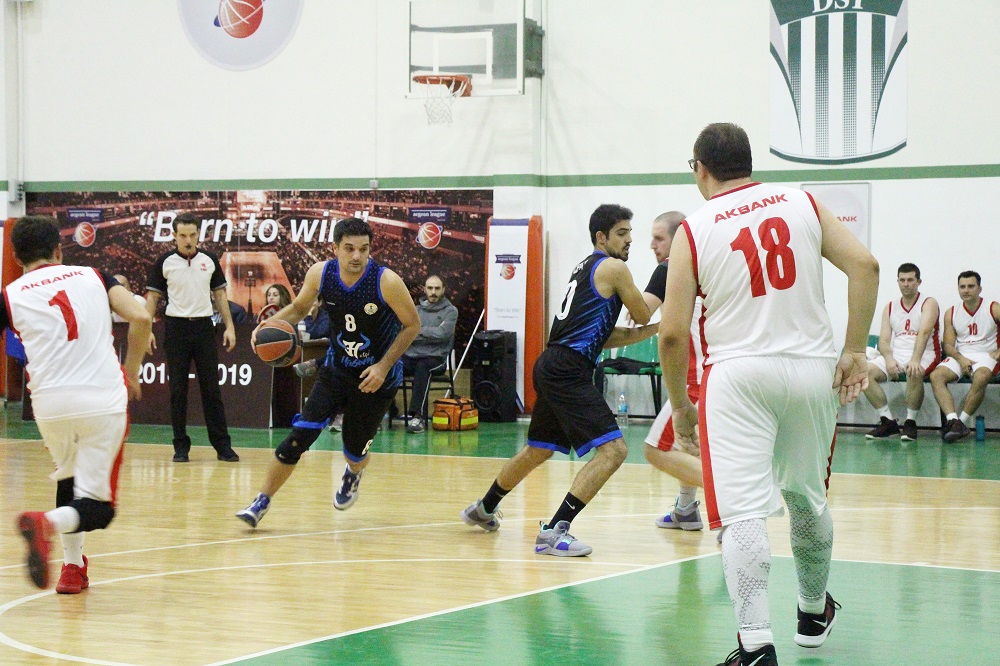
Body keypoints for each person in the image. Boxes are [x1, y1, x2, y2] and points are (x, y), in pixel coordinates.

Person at [658, 123, 878, 665]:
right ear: (749, 162)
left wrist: (681, 406)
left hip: (736, 376)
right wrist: (854, 348)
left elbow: (672, 333)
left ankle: (756, 644)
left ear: (700, 169)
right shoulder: (802, 202)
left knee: (742, 514)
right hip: (810, 370)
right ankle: (812, 613)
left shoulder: (695, 228)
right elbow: (866, 267)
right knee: (806, 496)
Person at [461, 204, 659, 557]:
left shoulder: (584, 268)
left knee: (538, 449)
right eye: (622, 233)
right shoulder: (614, 268)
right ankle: (554, 531)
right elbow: (642, 312)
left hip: (553, 363)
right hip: (567, 369)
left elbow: (603, 336)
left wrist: (656, 330)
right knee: (614, 451)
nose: (630, 239)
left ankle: (484, 507)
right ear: (602, 237)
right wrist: (669, 279)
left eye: (630, 232)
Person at [236, 217, 420, 528]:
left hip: (375, 379)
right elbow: (298, 308)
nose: (357, 256)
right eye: (349, 248)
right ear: (335, 248)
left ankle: (354, 472)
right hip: (336, 370)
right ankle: (260, 501)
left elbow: (412, 325)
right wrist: (267, 326)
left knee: (354, 449)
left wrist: (383, 366)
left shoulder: (386, 281)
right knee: (298, 437)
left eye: (363, 249)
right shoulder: (321, 273)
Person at [5, 216, 151, 592]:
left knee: (68, 478)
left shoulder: (10, 294)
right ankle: (48, 525)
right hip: (102, 400)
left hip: (49, 406)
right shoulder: (94, 276)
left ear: (16, 257)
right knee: (98, 508)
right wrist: (132, 373)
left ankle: (72, 567)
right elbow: (141, 316)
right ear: (59, 250)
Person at [146, 212, 240, 463]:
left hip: (204, 328)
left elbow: (220, 295)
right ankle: (180, 447)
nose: (188, 240)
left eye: (192, 235)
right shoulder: (164, 262)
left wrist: (229, 327)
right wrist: (146, 330)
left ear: (199, 234)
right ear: (174, 236)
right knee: (178, 391)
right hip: (175, 329)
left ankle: (222, 446)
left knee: (212, 390)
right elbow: (153, 298)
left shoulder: (209, 259)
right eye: (183, 235)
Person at [636, 211, 709, 531]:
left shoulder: (668, 269)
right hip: (713, 373)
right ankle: (685, 508)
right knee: (688, 445)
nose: (652, 245)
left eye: (659, 238)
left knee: (657, 449)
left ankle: (734, 505)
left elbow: (641, 312)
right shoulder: (702, 265)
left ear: (678, 239)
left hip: (695, 379)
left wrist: (609, 283)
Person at [863, 263, 941, 441]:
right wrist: (889, 359)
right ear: (897, 281)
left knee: (914, 370)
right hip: (897, 353)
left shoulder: (929, 303)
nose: (906, 284)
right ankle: (887, 421)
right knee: (865, 373)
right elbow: (883, 341)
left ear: (919, 282)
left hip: (925, 352)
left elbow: (924, 333)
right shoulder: (890, 307)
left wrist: (915, 359)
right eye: (902, 280)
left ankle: (910, 422)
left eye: (910, 280)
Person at [929, 271, 1000, 443]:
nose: (966, 290)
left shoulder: (993, 307)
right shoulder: (951, 312)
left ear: (979, 289)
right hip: (961, 354)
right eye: (962, 287)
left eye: (970, 286)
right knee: (936, 376)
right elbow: (948, 346)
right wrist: (961, 360)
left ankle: (961, 422)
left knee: (981, 376)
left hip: (986, 355)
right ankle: (953, 421)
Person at [402, 274, 458, 433]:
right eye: (430, 288)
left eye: (437, 288)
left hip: (436, 360)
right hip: (411, 357)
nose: (433, 292)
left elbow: (443, 334)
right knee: (389, 367)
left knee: (423, 367)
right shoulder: (415, 310)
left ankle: (417, 418)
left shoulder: (451, 311)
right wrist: (428, 333)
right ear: (424, 289)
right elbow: (405, 333)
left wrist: (417, 331)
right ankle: (382, 412)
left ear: (443, 290)